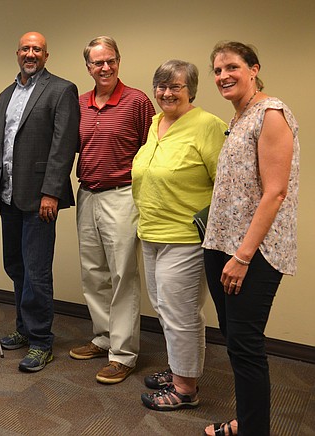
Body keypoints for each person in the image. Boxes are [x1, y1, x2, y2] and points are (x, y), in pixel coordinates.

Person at [202, 42, 299, 436]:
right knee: (237, 342)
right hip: (221, 243)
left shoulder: (270, 113)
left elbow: (275, 192)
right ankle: (248, 423)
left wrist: (242, 257)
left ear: (254, 69)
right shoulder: (240, 116)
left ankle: (254, 430)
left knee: (245, 344)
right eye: (217, 70)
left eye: (232, 67)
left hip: (253, 252)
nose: (223, 75)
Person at [131, 60, 227, 410]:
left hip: (185, 237)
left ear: (192, 91)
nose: (167, 93)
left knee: (180, 313)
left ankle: (185, 390)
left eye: (176, 87)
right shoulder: (157, 122)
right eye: (161, 86)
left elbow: (226, 186)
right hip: (152, 232)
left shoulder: (208, 126)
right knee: (164, 308)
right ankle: (178, 369)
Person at [0, 31, 79, 372]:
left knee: (37, 272)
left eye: (37, 49)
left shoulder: (61, 90)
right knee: (15, 265)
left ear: (46, 55)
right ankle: (24, 330)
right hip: (8, 195)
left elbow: (63, 144)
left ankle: (41, 342)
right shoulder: (5, 94)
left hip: (40, 198)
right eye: (25, 48)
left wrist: (51, 192)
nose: (30, 53)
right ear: (17, 52)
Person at [70, 36, 155, 384]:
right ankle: (103, 338)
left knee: (122, 276)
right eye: (97, 63)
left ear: (118, 61)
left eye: (111, 61)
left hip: (122, 196)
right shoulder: (78, 103)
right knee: (93, 272)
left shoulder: (137, 102)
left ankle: (123, 354)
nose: (105, 68)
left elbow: (154, 151)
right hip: (87, 194)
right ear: (87, 67)